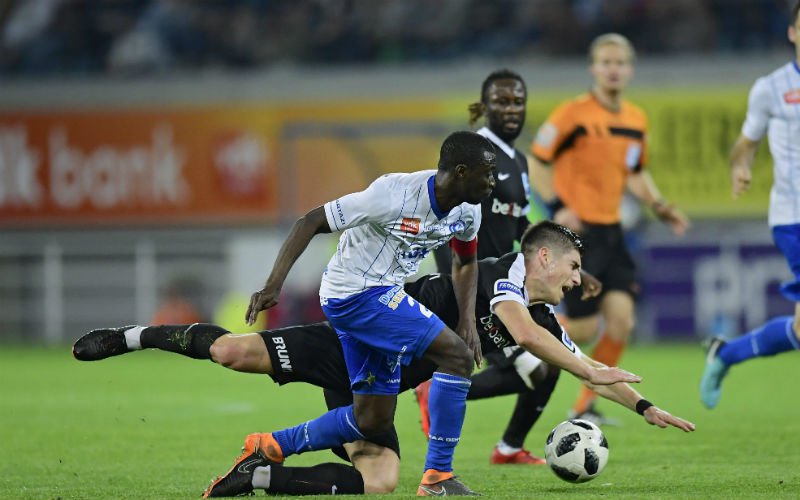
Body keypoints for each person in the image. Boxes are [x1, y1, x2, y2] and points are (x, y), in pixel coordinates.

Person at [74, 221, 683, 496]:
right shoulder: (504, 278)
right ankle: (132, 336)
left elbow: (587, 368)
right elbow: (521, 331)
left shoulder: (544, 316)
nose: (580, 280)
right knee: (233, 351)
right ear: (544, 259)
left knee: (380, 480)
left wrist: (645, 404)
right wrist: (590, 369)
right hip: (353, 341)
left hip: (377, 387)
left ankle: (259, 473)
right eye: (575, 267)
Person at [234, 130, 498, 497]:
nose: (493, 181)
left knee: (371, 418)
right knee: (456, 355)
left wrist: (467, 320)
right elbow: (309, 221)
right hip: (353, 293)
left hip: (383, 293)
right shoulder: (392, 195)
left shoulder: (469, 210)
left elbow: (465, 261)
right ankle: (438, 477)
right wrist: (273, 285)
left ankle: (267, 447)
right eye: (488, 172)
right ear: (462, 171)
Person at [423, 68, 596, 466]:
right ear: (484, 107)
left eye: (518, 101)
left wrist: (571, 263)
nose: (511, 108)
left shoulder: (517, 160)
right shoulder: (474, 155)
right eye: (501, 101)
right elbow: (447, 224)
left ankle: (507, 448)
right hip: (478, 290)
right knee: (537, 366)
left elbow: (521, 225)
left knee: (546, 369)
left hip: (508, 285)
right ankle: (436, 390)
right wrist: (458, 292)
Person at [528, 33, 690, 425]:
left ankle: (584, 406)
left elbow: (634, 173)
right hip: (580, 235)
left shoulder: (635, 119)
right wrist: (558, 208)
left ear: (629, 69)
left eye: (620, 63)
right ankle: (519, 342)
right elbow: (536, 162)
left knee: (622, 321)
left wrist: (659, 205)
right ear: (593, 68)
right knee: (582, 328)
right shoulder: (572, 114)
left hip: (613, 232)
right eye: (606, 62)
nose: (613, 69)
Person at [700, 0, 800, 409]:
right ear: (792, 32)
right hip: (794, 218)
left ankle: (726, 353)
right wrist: (741, 168)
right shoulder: (771, 88)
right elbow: (744, 146)